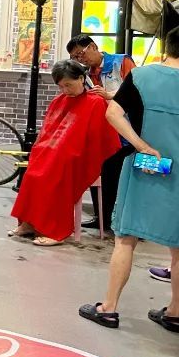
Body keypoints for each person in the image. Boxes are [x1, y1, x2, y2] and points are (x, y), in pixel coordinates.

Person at [79, 26, 179, 333]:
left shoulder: (142, 76)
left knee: (125, 238)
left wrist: (142, 146)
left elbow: (113, 114)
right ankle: (175, 312)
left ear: (167, 45)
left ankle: (109, 308)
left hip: (146, 166)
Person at [8, 61, 120, 246]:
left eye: (68, 85)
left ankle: (55, 230)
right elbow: (47, 133)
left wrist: (65, 151)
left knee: (54, 175)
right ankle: (29, 223)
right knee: (32, 173)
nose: (65, 90)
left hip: (80, 156)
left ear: (81, 79)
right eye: (61, 86)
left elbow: (99, 139)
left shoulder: (95, 102)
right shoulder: (58, 101)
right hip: (54, 152)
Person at [66, 34, 137, 232]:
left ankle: (122, 223)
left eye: (81, 54)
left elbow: (136, 90)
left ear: (93, 46)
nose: (80, 59)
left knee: (118, 178)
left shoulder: (121, 62)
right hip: (102, 131)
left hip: (126, 131)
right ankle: (102, 218)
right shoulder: (86, 74)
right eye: (75, 57)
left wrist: (109, 95)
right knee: (96, 172)